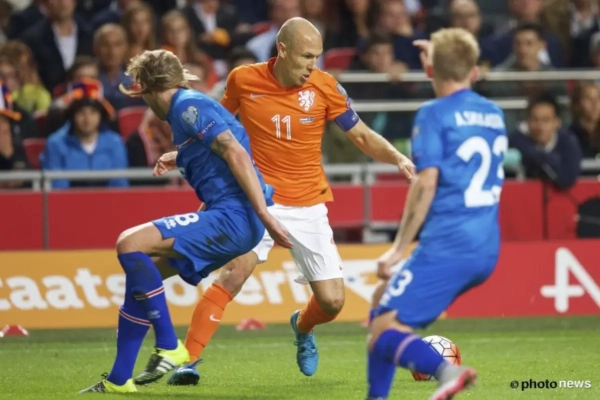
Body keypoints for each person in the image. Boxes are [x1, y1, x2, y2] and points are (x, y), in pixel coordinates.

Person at [165, 17, 415, 386]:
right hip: (257, 198)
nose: (313, 65)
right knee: (233, 274)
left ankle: (302, 326)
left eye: (317, 56)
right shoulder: (243, 79)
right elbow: (214, 128)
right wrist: (180, 154)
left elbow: (361, 135)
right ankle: (188, 361)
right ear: (282, 50)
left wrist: (397, 158)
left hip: (308, 204)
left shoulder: (326, 86)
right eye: (306, 56)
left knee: (332, 302)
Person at [79, 49, 291, 394]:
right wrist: (182, 155)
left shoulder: (186, 106)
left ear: (147, 88)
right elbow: (225, 145)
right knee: (140, 281)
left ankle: (169, 345)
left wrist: (265, 215)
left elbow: (235, 151)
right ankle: (118, 380)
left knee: (129, 243)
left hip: (234, 216)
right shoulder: (189, 110)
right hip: (232, 216)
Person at [367, 28, 506, 400]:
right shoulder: (494, 114)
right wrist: (442, 56)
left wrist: (398, 249)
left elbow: (425, 183)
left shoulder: (433, 113)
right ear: (473, 71)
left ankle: (448, 372)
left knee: (382, 332)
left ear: (430, 70)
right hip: (486, 245)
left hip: (448, 244)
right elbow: (456, 76)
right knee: (381, 302)